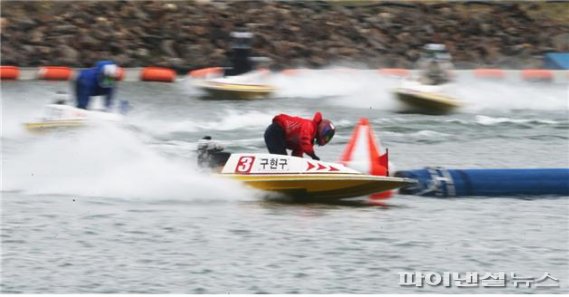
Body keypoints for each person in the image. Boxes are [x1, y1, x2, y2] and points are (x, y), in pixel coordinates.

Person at [264, 112, 335, 160]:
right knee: (282, 159)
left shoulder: (310, 140)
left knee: (283, 160)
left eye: (328, 138)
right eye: (327, 136)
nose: (326, 139)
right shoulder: (309, 126)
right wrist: (313, 156)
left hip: (277, 135)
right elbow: (304, 140)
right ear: (322, 128)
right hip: (276, 131)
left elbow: (297, 154)